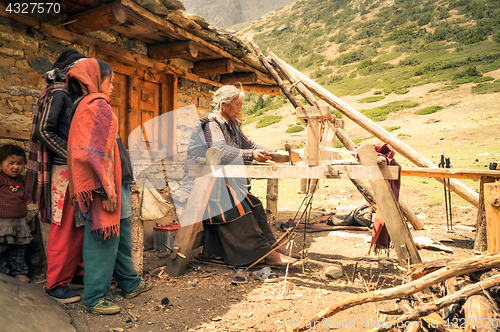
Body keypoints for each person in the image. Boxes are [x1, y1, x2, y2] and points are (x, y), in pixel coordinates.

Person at [66, 58, 153, 315]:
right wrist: (106, 191)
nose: (113, 87)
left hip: (116, 179)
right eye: (111, 81)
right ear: (95, 79)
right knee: (103, 237)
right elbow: (94, 154)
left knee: (121, 231)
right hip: (104, 184)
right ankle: (94, 296)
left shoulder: (86, 105)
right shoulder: (97, 105)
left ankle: (130, 283)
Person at [179, 85, 293, 267]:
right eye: (237, 104)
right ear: (224, 105)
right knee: (239, 209)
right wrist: (250, 156)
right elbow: (220, 150)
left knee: (254, 205)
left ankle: (271, 247)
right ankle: (263, 255)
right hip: (201, 184)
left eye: (241, 105)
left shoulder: (231, 125)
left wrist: (277, 153)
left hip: (218, 183)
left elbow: (250, 145)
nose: (240, 109)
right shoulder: (212, 123)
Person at [25, 49, 86, 303]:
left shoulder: (68, 93)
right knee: (64, 228)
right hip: (63, 170)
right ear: (72, 71)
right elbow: (43, 131)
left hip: (70, 169)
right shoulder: (60, 93)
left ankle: (73, 274)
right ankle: (55, 283)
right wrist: (72, 154)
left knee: (77, 226)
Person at [0, 144, 31, 283]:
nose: (15, 167)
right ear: (1, 164)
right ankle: (3, 273)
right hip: (2, 224)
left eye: (20, 164)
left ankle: (19, 272)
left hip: (19, 223)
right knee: (1, 250)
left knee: (18, 250)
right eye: (10, 163)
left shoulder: (23, 180)